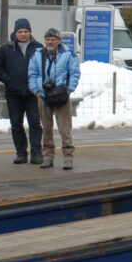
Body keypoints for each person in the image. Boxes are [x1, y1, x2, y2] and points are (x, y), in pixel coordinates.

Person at [28, 28, 80, 170]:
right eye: (48, 39)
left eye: (53, 39)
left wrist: (68, 90)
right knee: (46, 128)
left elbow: (74, 73)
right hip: (44, 96)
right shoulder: (38, 55)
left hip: (61, 96)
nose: (50, 42)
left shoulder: (68, 55)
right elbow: (32, 73)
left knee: (65, 129)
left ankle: (68, 156)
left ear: (59, 41)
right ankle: (48, 156)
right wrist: (36, 91)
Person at [0, 18, 42, 164]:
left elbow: (43, 68)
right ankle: (21, 153)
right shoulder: (5, 49)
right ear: (15, 33)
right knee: (16, 124)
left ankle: (36, 153)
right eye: (20, 31)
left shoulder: (38, 48)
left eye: (26, 31)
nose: (23, 34)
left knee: (35, 123)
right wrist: (9, 80)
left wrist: (37, 84)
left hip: (33, 93)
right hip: (13, 93)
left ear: (30, 32)